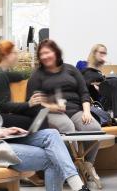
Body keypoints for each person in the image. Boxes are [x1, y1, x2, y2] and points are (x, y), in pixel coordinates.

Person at [0, 56, 90, 191]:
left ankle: (79, 186)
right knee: (54, 158)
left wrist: (6, 130)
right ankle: (79, 188)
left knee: (52, 134)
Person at [26, 39, 102, 182]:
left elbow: (84, 92)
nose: (44, 56)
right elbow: (31, 101)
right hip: (49, 112)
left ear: (56, 52)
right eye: (41, 54)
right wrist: (52, 106)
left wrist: (87, 111)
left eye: (47, 52)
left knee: (94, 128)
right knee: (67, 127)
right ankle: (71, 168)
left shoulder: (71, 69)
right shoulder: (37, 75)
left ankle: (88, 165)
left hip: (75, 110)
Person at [0, 40, 47, 130]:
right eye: (14, 53)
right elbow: (3, 105)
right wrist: (28, 104)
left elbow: (20, 75)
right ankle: (38, 139)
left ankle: (41, 137)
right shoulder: (0, 75)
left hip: (1, 114)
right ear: (5, 54)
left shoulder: (3, 72)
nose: (17, 56)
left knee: (40, 110)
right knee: (34, 120)